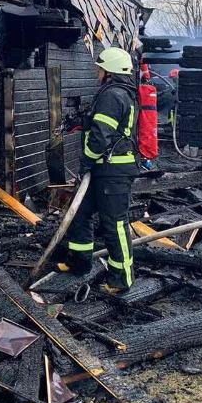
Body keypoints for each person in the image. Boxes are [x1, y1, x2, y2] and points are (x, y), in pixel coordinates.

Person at [62, 47, 139, 293]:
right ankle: (80, 262)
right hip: (103, 169)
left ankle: (122, 278)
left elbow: (100, 138)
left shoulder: (113, 95)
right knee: (80, 213)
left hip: (112, 171)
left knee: (115, 223)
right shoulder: (117, 93)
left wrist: (86, 160)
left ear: (109, 71)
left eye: (100, 68)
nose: (97, 71)